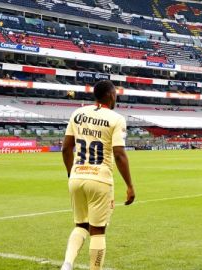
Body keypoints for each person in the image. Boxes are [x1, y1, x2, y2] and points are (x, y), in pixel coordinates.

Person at [61, 80, 135, 270]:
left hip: (77, 176)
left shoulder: (77, 113)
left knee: (80, 225)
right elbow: (119, 154)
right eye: (115, 94)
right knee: (98, 231)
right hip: (100, 179)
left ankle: (67, 264)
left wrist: (72, 172)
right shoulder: (116, 118)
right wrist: (129, 185)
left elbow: (66, 149)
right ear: (111, 95)